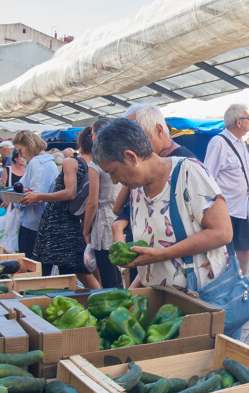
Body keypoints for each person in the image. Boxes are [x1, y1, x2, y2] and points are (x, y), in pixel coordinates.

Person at [91, 118, 230, 289]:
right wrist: (131, 293)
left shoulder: (188, 172)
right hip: (162, 301)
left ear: (131, 157)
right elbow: (152, 258)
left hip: (200, 299)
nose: (114, 181)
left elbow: (222, 233)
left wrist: (162, 255)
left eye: (113, 172)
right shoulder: (137, 191)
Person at [24, 131, 96, 287]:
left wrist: (39, 196)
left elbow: (69, 193)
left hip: (58, 219)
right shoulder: (96, 165)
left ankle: (38, 299)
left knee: (44, 267)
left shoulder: (72, 162)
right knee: (72, 269)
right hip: (77, 220)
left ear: (80, 144)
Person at [204, 104, 249, 274]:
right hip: (226, 210)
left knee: (244, 253)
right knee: (224, 255)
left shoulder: (242, 143)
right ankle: (226, 285)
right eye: (248, 118)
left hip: (241, 208)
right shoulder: (218, 143)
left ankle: (242, 282)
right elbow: (207, 176)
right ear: (239, 122)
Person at [81, 121, 122, 289]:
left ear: (96, 135)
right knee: (118, 272)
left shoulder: (96, 162)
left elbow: (92, 203)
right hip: (120, 219)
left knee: (108, 275)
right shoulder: (120, 155)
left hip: (104, 222)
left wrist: (85, 230)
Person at [13, 131, 58, 264]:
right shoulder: (46, 162)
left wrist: (15, 199)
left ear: (28, 145)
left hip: (34, 225)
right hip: (40, 223)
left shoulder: (38, 163)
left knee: (32, 268)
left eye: (20, 150)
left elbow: (35, 196)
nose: (20, 155)